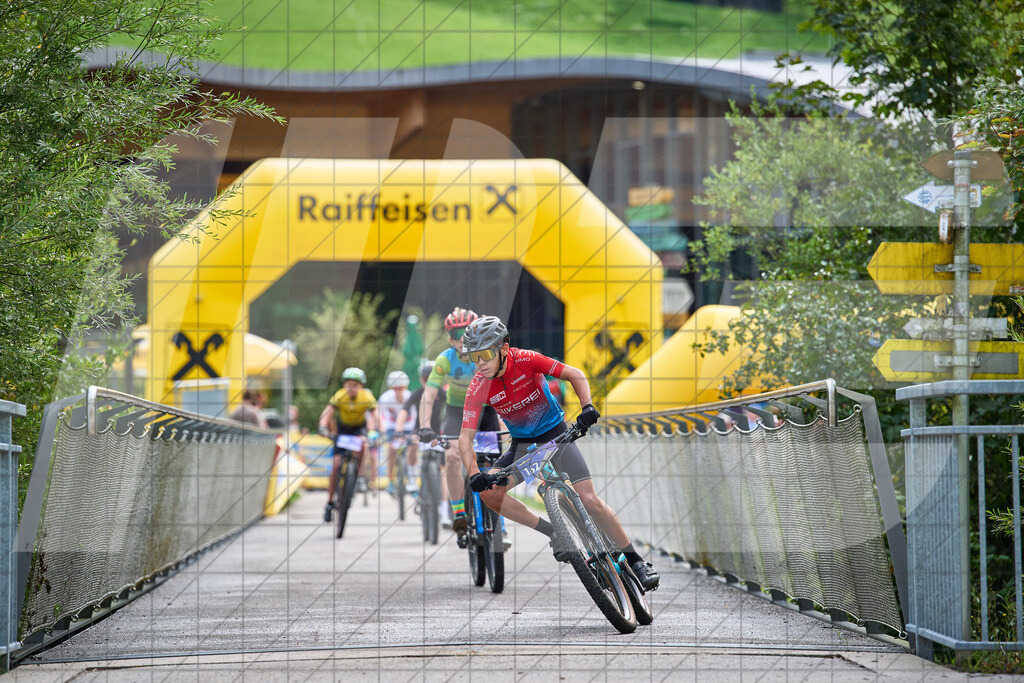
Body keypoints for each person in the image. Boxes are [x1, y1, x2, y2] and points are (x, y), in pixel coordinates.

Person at [457, 315, 660, 591]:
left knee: (590, 500)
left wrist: (586, 406)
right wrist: (474, 474)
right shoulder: (479, 386)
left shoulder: (527, 359)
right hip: (522, 447)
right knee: (489, 493)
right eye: (474, 357)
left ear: (504, 348)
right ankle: (554, 532)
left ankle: (636, 561)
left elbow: (575, 374)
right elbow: (464, 438)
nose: (480, 363)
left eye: (485, 354)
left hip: (556, 435)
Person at [417, 307, 501, 540]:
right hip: (458, 412)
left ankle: (499, 522)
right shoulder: (445, 360)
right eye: (456, 334)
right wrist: (425, 425)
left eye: (467, 332)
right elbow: (429, 394)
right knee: (452, 458)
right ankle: (459, 513)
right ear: (449, 337)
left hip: (486, 411)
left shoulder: (488, 354)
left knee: (498, 464)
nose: (462, 339)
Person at [319, 366, 378, 523]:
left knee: (364, 445)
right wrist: (323, 426)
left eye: (355, 385)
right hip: (343, 431)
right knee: (336, 464)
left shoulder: (366, 396)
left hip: (359, 429)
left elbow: (375, 414)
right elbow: (328, 411)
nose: (352, 388)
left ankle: (359, 478)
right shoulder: (339, 395)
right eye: (348, 384)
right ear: (344, 385)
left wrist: (373, 431)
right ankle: (330, 502)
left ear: (361, 386)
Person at [394, 359, 446, 493]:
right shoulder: (417, 393)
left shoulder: (442, 393)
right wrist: (399, 428)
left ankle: (442, 501)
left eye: (432, 378)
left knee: (443, 466)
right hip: (419, 430)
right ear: (422, 379)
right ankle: (412, 477)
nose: (428, 382)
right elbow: (404, 410)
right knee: (412, 444)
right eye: (425, 378)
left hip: (438, 430)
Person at [378, 370, 411, 493]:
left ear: (405, 386)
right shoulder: (385, 398)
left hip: (409, 427)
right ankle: (390, 480)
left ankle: (410, 479)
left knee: (412, 448)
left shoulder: (409, 396)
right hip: (391, 427)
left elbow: (415, 416)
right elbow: (380, 416)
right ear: (391, 387)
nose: (398, 390)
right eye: (395, 387)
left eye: (401, 387)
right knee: (391, 449)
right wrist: (382, 431)